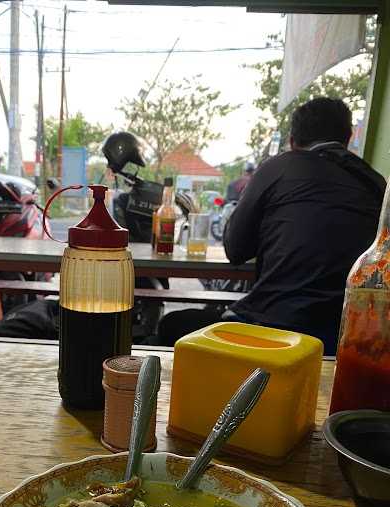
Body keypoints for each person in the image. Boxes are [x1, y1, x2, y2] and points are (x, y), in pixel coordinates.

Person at [157, 97, 386, 354]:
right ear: (347, 139)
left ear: (292, 142)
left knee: (171, 326)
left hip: (274, 329)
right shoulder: (377, 185)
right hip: (351, 339)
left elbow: (235, 250)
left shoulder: (280, 167)